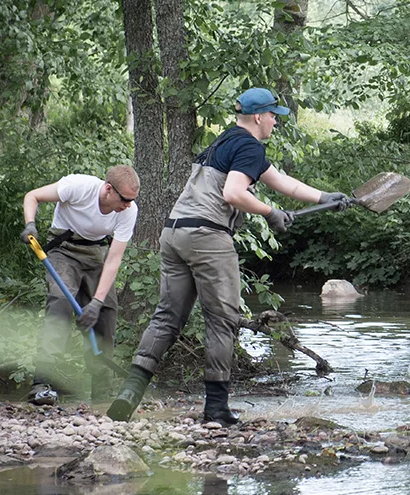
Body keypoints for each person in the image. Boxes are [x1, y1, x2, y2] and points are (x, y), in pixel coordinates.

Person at [106, 87, 350, 424]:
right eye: (273, 118)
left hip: (175, 233)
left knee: (166, 318)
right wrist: (270, 212)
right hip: (208, 236)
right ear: (258, 117)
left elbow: (282, 182)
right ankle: (216, 409)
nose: (275, 124)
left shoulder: (224, 142)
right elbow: (233, 193)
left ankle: (129, 394)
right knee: (222, 321)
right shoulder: (249, 145)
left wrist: (324, 196)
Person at [21, 165, 140, 405]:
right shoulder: (78, 187)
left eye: (132, 200)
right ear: (108, 189)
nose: (128, 205)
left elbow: (113, 260)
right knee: (61, 305)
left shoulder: (128, 211)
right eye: (125, 199)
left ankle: (102, 393)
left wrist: (96, 302)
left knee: (105, 313)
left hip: (96, 256)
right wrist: (30, 224)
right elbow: (32, 196)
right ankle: (42, 384)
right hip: (64, 252)